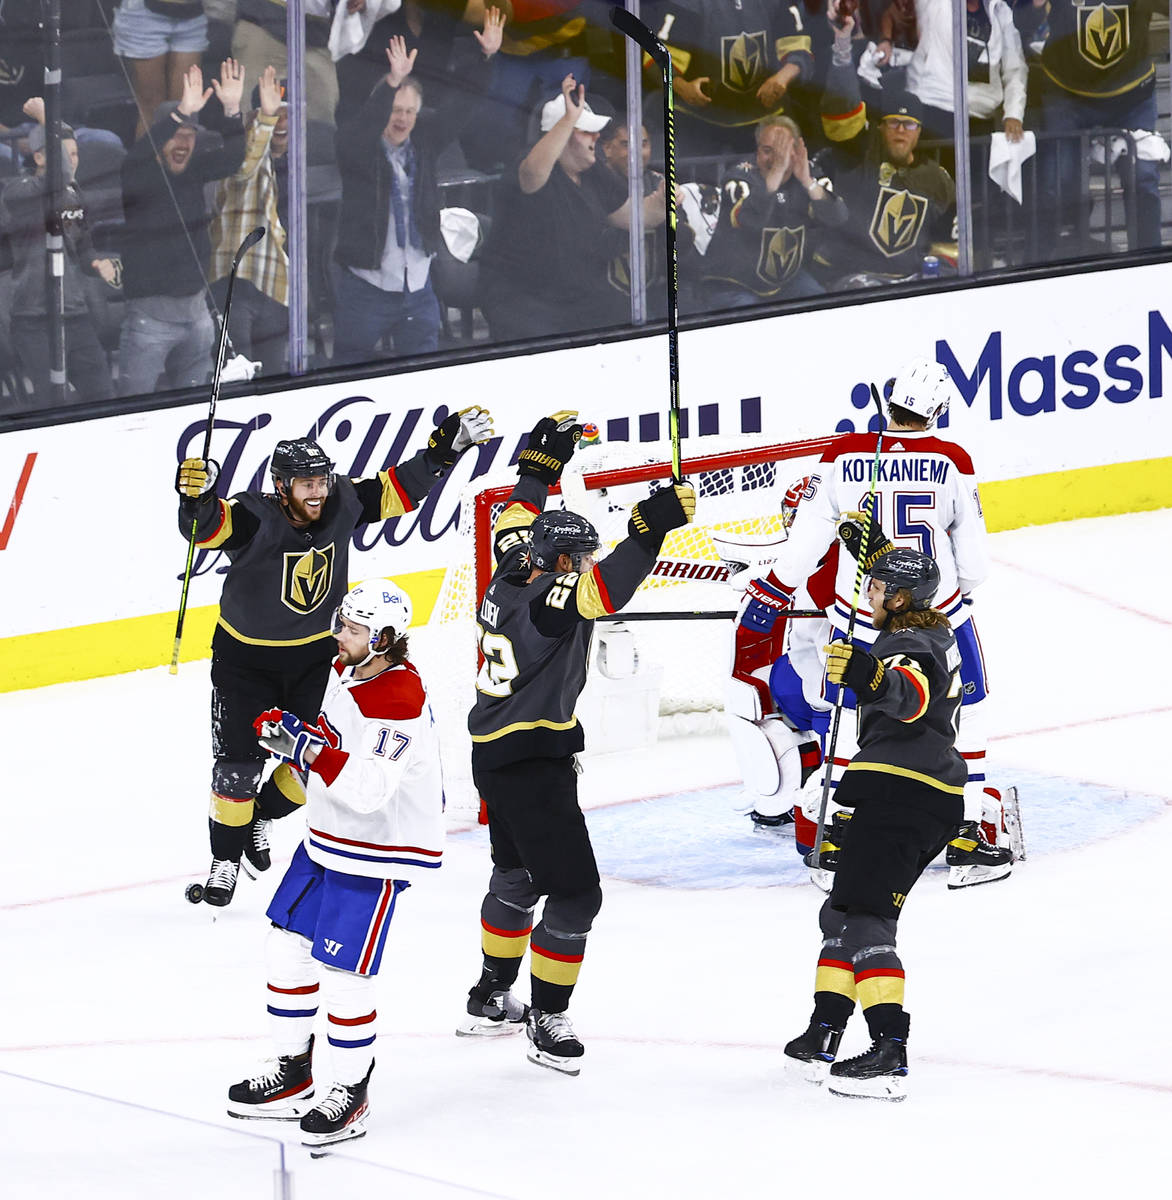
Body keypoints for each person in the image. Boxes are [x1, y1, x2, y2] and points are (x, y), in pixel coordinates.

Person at [174, 405, 494, 907]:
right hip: (245, 663)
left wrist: (443, 451)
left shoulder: (342, 500)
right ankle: (224, 860)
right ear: (282, 487)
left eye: (321, 480)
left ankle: (261, 817)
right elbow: (211, 527)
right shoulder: (254, 514)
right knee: (236, 768)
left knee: (307, 762)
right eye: (306, 484)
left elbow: (397, 491)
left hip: (315, 661)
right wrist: (196, 498)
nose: (318, 491)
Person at [457, 411, 696, 1073]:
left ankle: (489, 994)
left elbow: (515, 513)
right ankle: (547, 1017)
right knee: (576, 894)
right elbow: (603, 589)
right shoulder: (551, 599)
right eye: (580, 556)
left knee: (516, 876)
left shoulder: (513, 566)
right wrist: (648, 530)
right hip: (534, 760)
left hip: (492, 753)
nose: (586, 563)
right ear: (561, 562)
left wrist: (542, 463)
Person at [736, 357, 1016, 888]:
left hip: (861, 613)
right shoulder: (951, 458)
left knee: (848, 716)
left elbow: (807, 543)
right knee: (970, 712)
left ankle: (836, 837)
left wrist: (771, 591)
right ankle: (966, 838)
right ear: (935, 409)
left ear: (888, 402)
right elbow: (975, 565)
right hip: (939, 614)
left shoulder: (842, 455)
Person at [226, 577, 442, 1153]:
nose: (339, 636)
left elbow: (370, 789)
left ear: (386, 638)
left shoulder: (399, 698)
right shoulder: (348, 672)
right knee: (286, 947)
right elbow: (326, 747)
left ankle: (350, 1090)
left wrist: (305, 750)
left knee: (345, 978)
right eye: (341, 624)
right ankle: (293, 1071)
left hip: (376, 852)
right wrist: (292, 739)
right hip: (326, 839)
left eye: (352, 629)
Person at [782, 548, 964, 1100]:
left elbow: (909, 697)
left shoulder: (911, 644)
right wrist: (880, 542)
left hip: (905, 793)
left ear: (902, 598)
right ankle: (824, 1033)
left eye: (880, 586)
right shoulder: (924, 633)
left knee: (866, 921)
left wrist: (867, 672)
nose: (870, 593)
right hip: (906, 792)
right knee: (840, 913)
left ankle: (889, 1051)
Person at [332, 11, 504, 366]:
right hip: (367, 289)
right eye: (396, 109)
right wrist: (392, 83)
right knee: (348, 375)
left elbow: (462, 106)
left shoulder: (424, 144)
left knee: (424, 377)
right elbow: (365, 126)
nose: (403, 119)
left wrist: (485, 59)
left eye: (411, 111)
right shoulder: (358, 147)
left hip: (419, 288)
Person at [118, 60, 246, 397]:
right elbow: (138, 155)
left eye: (189, 135)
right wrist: (180, 113)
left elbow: (235, 157)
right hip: (151, 320)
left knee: (194, 404)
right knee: (135, 408)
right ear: (159, 138)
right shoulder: (138, 175)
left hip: (197, 314)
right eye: (175, 134)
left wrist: (233, 110)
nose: (183, 142)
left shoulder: (194, 170)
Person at [479, 76, 629, 343]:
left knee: (624, 317)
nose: (596, 137)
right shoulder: (526, 164)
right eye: (585, 131)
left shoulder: (592, 170)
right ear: (560, 135)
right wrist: (569, 120)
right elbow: (532, 174)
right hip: (522, 301)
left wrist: (664, 202)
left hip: (575, 297)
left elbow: (631, 216)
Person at [813, 12, 956, 288]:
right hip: (856, 278)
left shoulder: (936, 179)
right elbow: (841, 105)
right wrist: (843, 48)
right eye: (893, 123)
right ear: (880, 127)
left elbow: (949, 244)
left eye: (909, 124)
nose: (901, 130)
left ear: (919, 132)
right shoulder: (858, 156)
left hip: (910, 280)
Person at [0, 116, 116, 409]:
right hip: (32, 318)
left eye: (75, 153)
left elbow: (83, 247)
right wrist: (46, 119)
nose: (72, 161)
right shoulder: (16, 190)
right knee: (51, 404)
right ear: (38, 156)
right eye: (63, 154)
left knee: (102, 394)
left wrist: (98, 263)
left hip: (73, 312)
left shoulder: (75, 196)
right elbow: (57, 177)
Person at [1035, 0, 1165, 254]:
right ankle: (1046, 266)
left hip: (1132, 96)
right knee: (1057, 182)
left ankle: (1148, 265)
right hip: (1066, 94)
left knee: (1142, 178)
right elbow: (1021, 21)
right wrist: (1032, 7)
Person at [698, 115, 846, 310]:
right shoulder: (738, 177)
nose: (777, 159)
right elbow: (751, 221)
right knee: (752, 318)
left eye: (784, 151)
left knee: (819, 304)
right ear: (757, 152)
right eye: (768, 151)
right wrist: (777, 172)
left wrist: (808, 183)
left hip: (785, 281)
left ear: (796, 152)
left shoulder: (807, 174)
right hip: (732, 282)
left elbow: (839, 218)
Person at [645, 0, 816, 158]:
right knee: (695, 189)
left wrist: (783, 77)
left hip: (764, 120)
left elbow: (799, 49)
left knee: (770, 186)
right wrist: (682, 86)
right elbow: (658, 57)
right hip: (698, 123)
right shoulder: (688, 3)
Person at [209, 66, 290, 375]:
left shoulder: (291, 160)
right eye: (275, 114)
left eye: (287, 115)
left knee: (273, 388)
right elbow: (243, 167)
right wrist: (262, 119)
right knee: (237, 385)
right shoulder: (239, 145)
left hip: (274, 288)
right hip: (236, 287)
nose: (282, 122)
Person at [112, 0, 211, 139]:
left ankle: (178, 160)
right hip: (144, 14)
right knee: (152, 109)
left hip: (192, 15)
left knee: (185, 108)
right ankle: (146, 160)